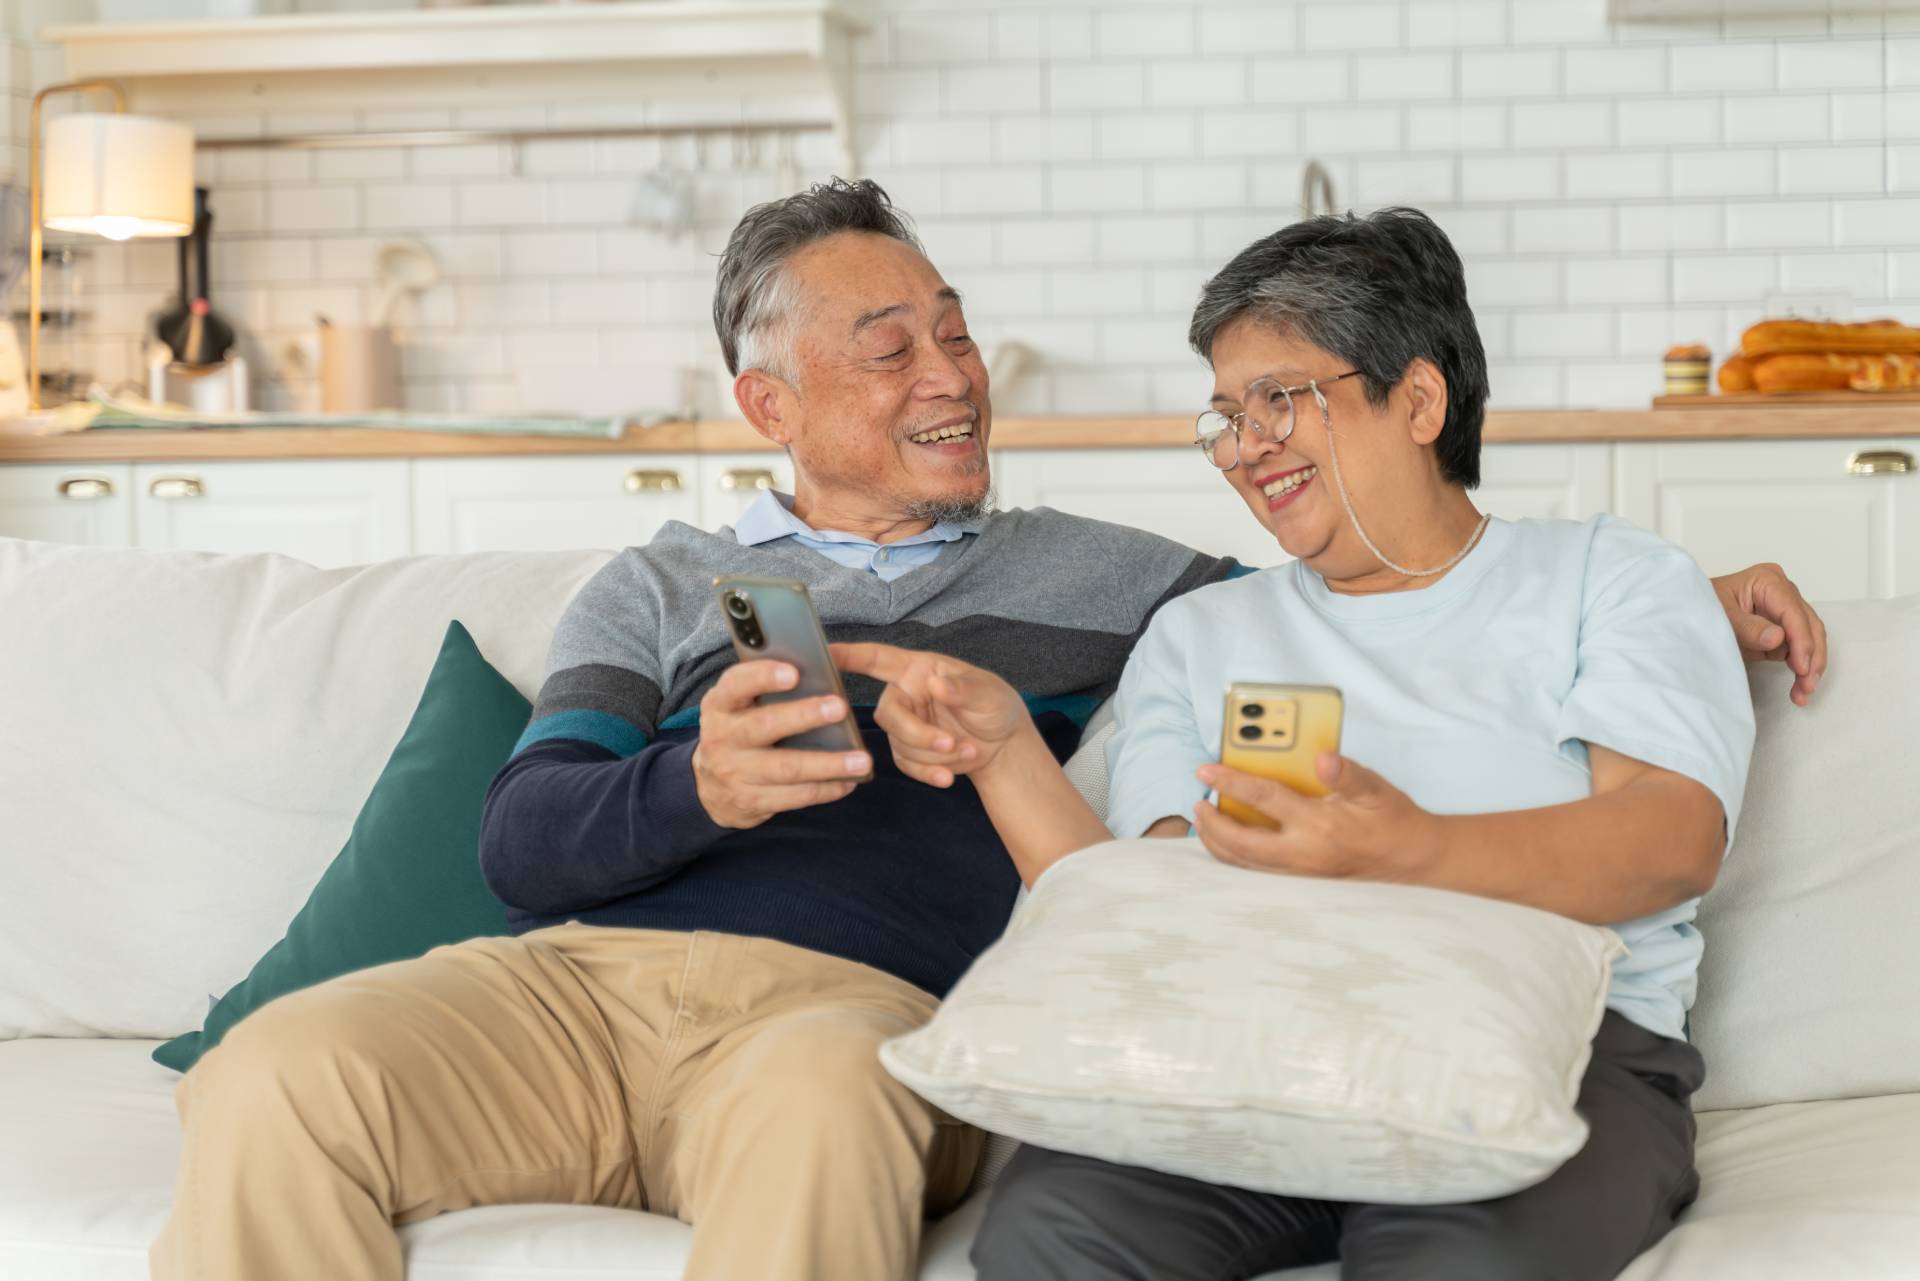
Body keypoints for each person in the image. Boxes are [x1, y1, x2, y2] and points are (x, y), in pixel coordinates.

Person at [150, 183, 1824, 1281]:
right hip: (576, 984)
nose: (954, 370)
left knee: (827, 1100)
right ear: (773, 406)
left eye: (955, 327)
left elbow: (1414, 579)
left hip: (852, 1018)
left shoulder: (1123, 583)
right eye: (895, 347)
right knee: (275, 1076)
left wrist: (1690, 587)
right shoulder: (668, 581)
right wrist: (699, 781)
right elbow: (521, 844)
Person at [835, 207, 1778, 1281]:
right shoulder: (1202, 634)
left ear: (1417, 399)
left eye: (1278, 400)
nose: (1243, 448)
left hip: (1557, 1047)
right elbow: (1144, 895)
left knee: (1452, 1262)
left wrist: (1403, 850)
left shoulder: (1615, 579)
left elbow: (1669, 838)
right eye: (1225, 417)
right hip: (1246, 1039)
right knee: (1050, 1237)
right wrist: (1006, 751)